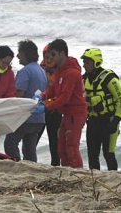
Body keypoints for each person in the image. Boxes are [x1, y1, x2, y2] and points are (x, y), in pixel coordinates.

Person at [34, 39, 87, 168]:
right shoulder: (60, 70)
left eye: (53, 54)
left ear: (61, 54)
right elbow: (53, 88)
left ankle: (77, 173)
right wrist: (43, 95)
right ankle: (67, 171)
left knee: (71, 147)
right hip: (67, 113)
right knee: (61, 147)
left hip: (76, 114)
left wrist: (46, 105)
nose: (51, 58)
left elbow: (64, 97)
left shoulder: (72, 73)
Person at [81, 48, 121, 171]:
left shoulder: (109, 79)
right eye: (84, 62)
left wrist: (115, 121)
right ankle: (95, 181)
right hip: (93, 122)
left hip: (109, 122)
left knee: (109, 155)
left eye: (87, 62)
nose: (84, 65)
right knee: (92, 155)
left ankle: (114, 180)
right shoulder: (84, 79)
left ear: (96, 62)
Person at [4, 40, 47, 162]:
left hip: (25, 117)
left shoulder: (25, 71)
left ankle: (15, 165)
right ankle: (31, 168)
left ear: (25, 54)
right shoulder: (41, 71)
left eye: (19, 53)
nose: (17, 56)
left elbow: (19, 96)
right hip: (39, 118)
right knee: (29, 149)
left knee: (10, 143)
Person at [36, 44, 63, 166]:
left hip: (55, 109)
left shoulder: (62, 69)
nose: (50, 58)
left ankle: (55, 166)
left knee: (55, 142)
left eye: (52, 55)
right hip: (42, 108)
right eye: (47, 55)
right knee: (33, 139)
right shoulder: (40, 68)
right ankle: (29, 162)